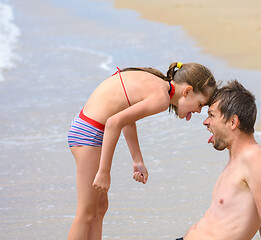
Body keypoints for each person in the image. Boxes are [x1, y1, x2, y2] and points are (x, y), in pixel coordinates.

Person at [67, 62, 217, 240]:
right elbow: (114, 123)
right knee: (86, 213)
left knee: (100, 207)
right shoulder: (161, 99)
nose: (199, 111)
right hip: (90, 134)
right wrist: (104, 171)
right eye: (200, 104)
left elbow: (126, 118)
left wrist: (137, 160)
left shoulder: (157, 83)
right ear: (187, 91)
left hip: (87, 128)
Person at [177, 80, 261, 240]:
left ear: (233, 122)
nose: (205, 122)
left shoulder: (255, 157)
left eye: (211, 115)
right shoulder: (236, 160)